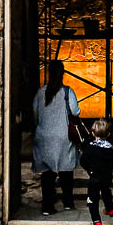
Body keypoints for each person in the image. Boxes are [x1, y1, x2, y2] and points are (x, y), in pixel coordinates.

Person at [32, 59, 81, 215]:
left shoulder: (40, 92)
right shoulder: (67, 92)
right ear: (63, 73)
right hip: (63, 136)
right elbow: (75, 111)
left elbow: (35, 114)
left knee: (47, 174)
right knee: (66, 170)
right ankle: (68, 202)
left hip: (44, 136)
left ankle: (47, 207)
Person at [79, 118, 113, 225]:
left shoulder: (89, 148)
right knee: (106, 191)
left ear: (93, 133)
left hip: (94, 177)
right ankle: (110, 209)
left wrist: (90, 169)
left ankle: (97, 222)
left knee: (92, 199)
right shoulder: (111, 149)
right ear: (109, 134)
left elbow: (83, 161)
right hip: (107, 176)